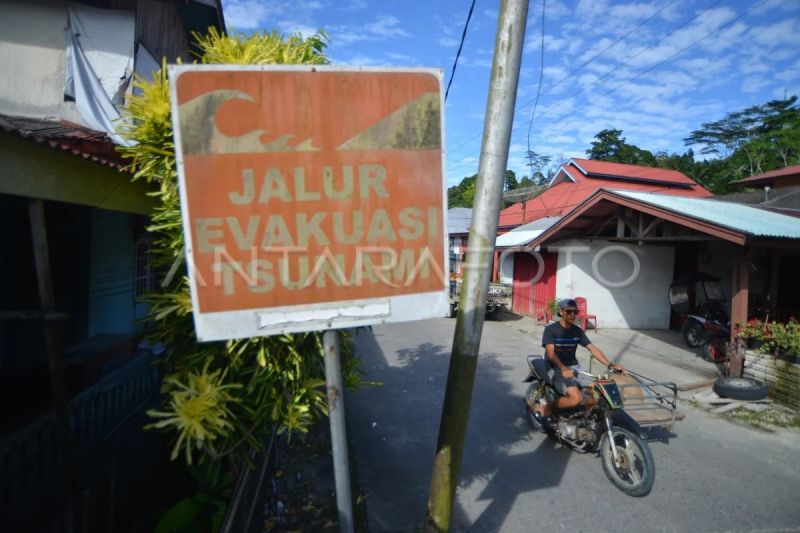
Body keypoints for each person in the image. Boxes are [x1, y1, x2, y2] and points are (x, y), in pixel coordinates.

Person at [532, 298, 624, 421]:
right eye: (569, 311)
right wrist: (563, 368)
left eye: (575, 312)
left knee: (596, 395)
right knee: (576, 398)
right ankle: (546, 408)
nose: (573, 315)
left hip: (574, 368)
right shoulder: (551, 330)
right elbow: (550, 353)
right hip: (555, 368)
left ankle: (579, 420)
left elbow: (592, 348)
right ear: (561, 312)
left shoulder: (577, 331)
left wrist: (610, 365)